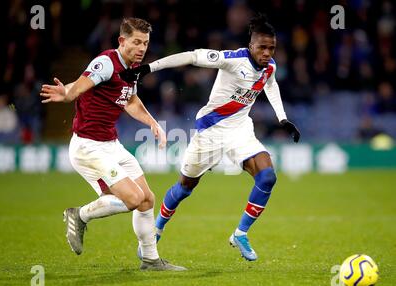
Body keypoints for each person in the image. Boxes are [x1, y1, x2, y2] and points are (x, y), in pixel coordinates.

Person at [120, 14, 300, 262]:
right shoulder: (232, 59)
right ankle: (157, 229)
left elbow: (271, 85)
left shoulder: (269, 67)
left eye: (272, 48)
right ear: (251, 45)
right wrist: (149, 68)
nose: (267, 53)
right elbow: (192, 56)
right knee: (185, 187)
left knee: (267, 176)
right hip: (210, 132)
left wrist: (283, 118)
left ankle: (241, 233)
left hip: (240, 131)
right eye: (262, 47)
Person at [40, 18, 186, 271]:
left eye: (146, 43)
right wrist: (67, 93)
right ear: (122, 41)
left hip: (111, 144)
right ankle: (79, 215)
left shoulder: (132, 69)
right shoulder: (106, 62)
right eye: (136, 42)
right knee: (133, 198)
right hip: (89, 147)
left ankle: (151, 260)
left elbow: (129, 100)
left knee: (147, 200)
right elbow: (79, 87)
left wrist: (153, 123)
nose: (141, 48)